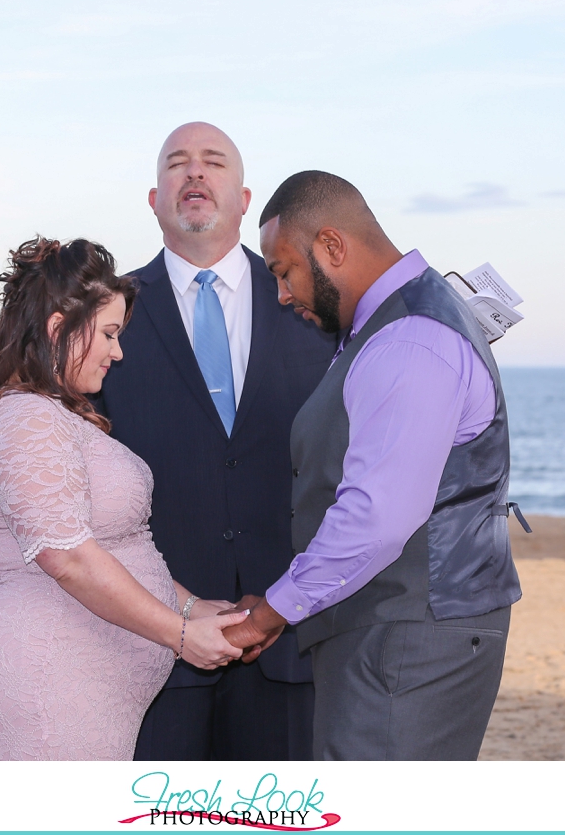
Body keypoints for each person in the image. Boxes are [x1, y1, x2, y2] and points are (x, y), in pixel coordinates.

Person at [224, 171, 525, 760]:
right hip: (402, 632)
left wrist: (273, 612)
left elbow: (377, 516)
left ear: (332, 246)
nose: (282, 295)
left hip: (408, 641)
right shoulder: (396, 324)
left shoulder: (407, 339)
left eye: (285, 271)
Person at [0, 236, 248, 761]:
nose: (118, 351)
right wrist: (179, 634)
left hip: (70, 691)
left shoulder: (46, 413)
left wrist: (190, 606)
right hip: (41, 692)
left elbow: (106, 543)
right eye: (108, 333)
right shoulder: (26, 419)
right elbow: (70, 558)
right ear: (59, 328)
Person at [96, 123, 334, 761]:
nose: (195, 174)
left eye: (213, 163)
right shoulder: (107, 312)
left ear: (246, 196)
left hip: (292, 638)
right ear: (154, 198)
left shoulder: (316, 305)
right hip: (153, 643)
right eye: (178, 164)